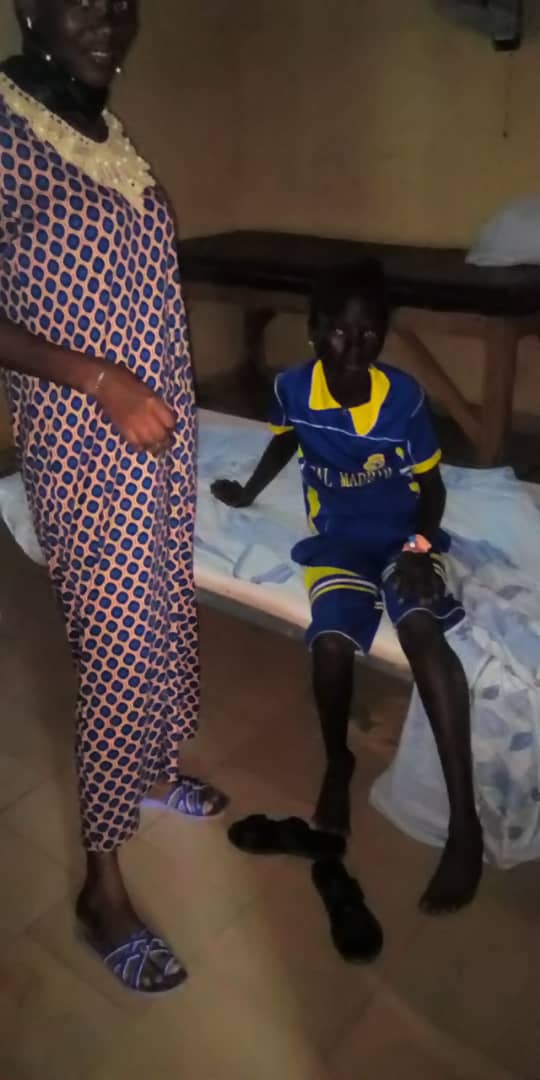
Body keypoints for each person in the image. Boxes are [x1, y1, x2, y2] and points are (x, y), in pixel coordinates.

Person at [0, 0, 227, 994]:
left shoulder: (102, 133)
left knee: (167, 612)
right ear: (28, 7)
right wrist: (99, 381)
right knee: (121, 653)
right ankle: (101, 888)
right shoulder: (4, 130)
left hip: (159, 435)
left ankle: (154, 771)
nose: (107, 14)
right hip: (85, 443)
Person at [212, 260, 483, 914]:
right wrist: (246, 492)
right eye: (340, 332)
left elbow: (432, 487)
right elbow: (287, 442)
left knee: (420, 629)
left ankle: (464, 824)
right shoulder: (292, 388)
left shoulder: (404, 398)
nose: (355, 347)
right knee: (330, 644)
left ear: (384, 333)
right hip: (337, 537)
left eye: (370, 333)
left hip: (402, 534)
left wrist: (419, 546)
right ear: (314, 331)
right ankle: (338, 762)